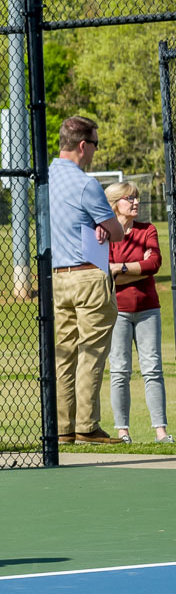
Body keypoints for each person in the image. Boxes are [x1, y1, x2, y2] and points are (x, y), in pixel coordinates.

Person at [48, 116, 124, 444]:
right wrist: (105, 226)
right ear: (82, 145)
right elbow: (117, 232)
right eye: (95, 144)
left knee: (64, 353)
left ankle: (63, 428)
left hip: (57, 277)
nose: (95, 151)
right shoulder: (86, 184)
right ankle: (87, 425)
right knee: (90, 352)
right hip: (88, 276)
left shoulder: (44, 177)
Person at [105, 181, 172, 444]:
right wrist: (136, 267)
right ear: (115, 204)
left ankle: (161, 433)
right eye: (129, 198)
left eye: (137, 198)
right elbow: (103, 273)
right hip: (117, 311)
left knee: (153, 369)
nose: (135, 202)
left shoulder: (148, 230)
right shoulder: (105, 235)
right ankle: (123, 432)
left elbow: (154, 263)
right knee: (120, 371)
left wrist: (119, 269)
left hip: (148, 310)